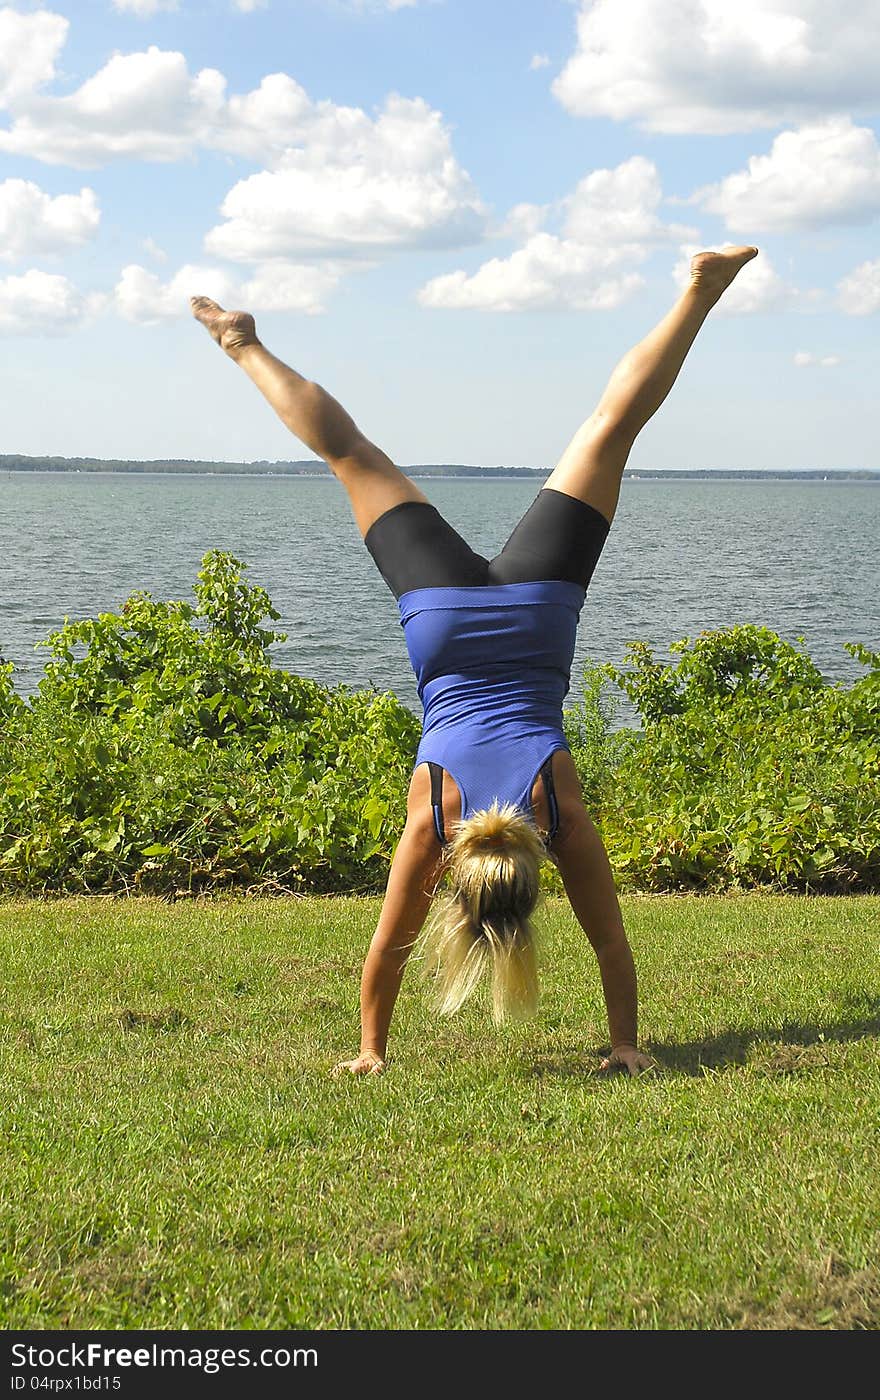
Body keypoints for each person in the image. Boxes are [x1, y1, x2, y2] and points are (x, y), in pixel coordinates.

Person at [191, 244, 758, 1078]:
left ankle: (700, 293)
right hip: (444, 623)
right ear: (463, 881)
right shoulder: (435, 821)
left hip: (536, 615)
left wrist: (629, 1043)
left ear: (530, 879)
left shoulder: (556, 813)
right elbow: (387, 950)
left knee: (610, 428)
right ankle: (241, 343)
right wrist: (369, 1052)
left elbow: (610, 941)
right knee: (350, 452)